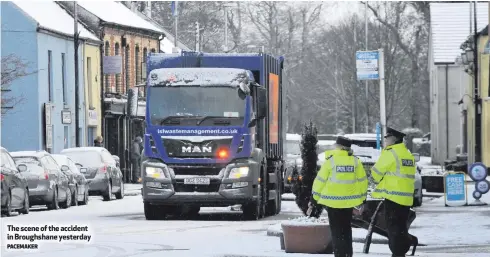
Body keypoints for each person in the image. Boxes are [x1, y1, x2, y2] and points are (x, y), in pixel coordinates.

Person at [310, 136, 368, 257]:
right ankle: (348, 253)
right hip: (348, 203)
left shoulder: (331, 161)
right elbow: (363, 181)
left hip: (333, 202)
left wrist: (314, 198)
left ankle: (340, 254)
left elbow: (320, 180)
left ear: (339, 147)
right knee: (346, 229)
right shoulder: (355, 161)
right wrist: (363, 199)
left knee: (336, 231)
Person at [370, 127, 416, 257]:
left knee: (393, 228)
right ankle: (401, 251)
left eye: (386, 138)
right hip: (406, 198)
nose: (385, 140)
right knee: (401, 227)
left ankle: (397, 253)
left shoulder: (391, 153)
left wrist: (381, 178)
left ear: (393, 139)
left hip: (393, 197)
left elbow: (376, 173)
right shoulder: (407, 154)